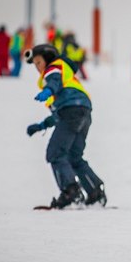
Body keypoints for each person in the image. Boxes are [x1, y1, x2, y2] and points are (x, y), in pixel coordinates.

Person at [24, 44, 106, 209]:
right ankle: (95, 191)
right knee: (73, 157)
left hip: (72, 112)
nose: (38, 68)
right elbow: (58, 114)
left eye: (39, 62)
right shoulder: (67, 76)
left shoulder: (53, 68)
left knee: (55, 153)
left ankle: (71, 193)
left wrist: (48, 90)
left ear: (47, 58)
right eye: (35, 65)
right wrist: (42, 125)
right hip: (83, 112)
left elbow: (54, 82)